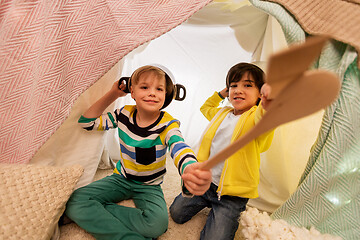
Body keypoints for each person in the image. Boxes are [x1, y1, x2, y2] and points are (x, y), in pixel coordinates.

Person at [65, 65, 212, 240]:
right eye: (145, 87)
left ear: (167, 95)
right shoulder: (123, 114)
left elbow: (179, 147)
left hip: (149, 186)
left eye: (159, 89)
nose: (152, 93)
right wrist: (114, 94)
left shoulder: (169, 124)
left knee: (157, 226)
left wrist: (189, 168)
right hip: (120, 178)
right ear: (132, 91)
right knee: (73, 200)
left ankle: (94, 210)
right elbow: (86, 122)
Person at [169, 62, 275, 240]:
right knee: (176, 213)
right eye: (234, 85)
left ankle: (222, 213)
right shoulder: (222, 113)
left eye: (247, 85)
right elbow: (205, 108)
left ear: (259, 94)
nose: (238, 90)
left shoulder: (255, 118)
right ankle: (206, 202)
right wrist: (220, 94)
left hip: (232, 195)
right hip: (206, 184)